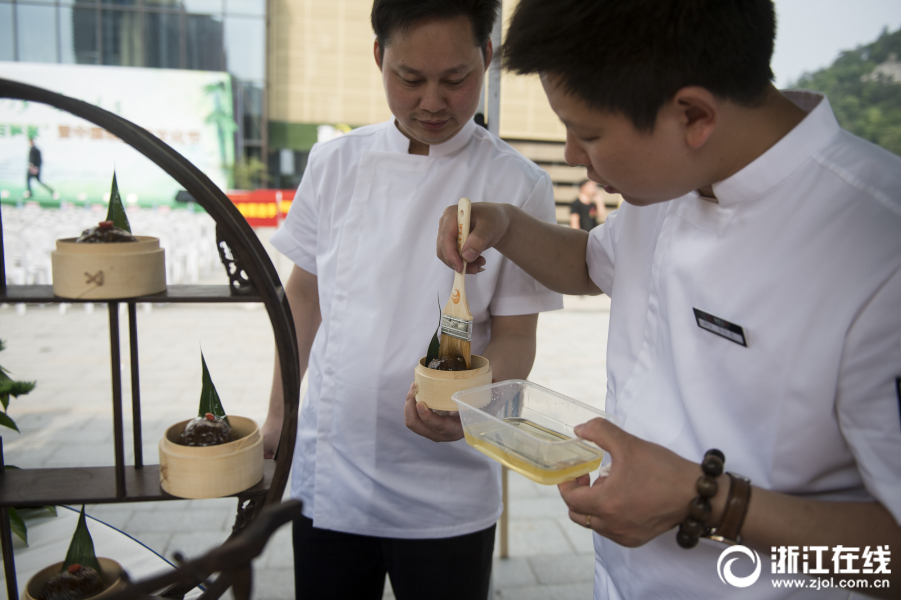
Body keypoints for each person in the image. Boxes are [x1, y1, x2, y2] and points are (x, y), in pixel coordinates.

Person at [433, 0, 901, 598]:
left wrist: (708, 501)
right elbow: (593, 263)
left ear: (694, 115)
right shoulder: (673, 182)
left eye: (588, 133)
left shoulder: (875, 251)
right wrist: (506, 225)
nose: (574, 155)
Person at [262, 1, 562, 599]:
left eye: (455, 80)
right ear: (379, 57)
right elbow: (304, 295)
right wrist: (279, 415)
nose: (432, 102)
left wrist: (471, 407)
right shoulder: (335, 163)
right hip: (330, 472)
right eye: (409, 79)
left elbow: (516, 339)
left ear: (487, 57)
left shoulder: (519, 185)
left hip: (447, 485)